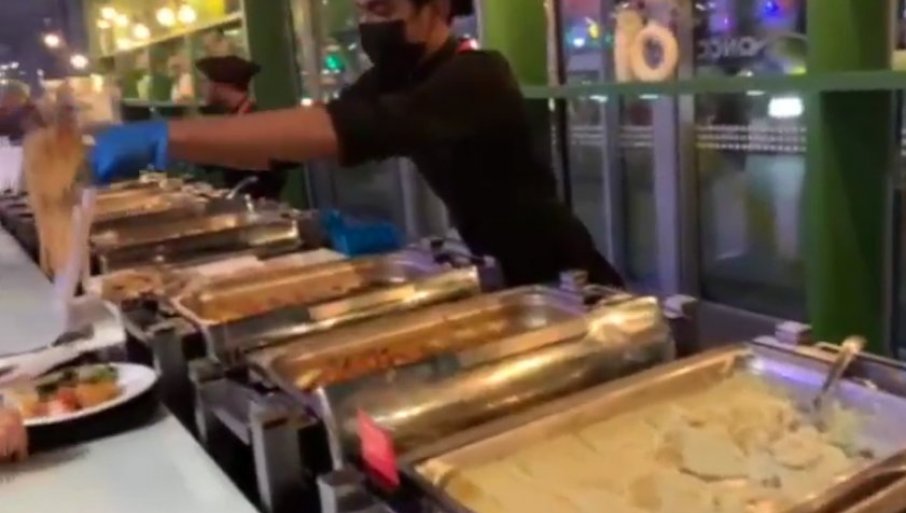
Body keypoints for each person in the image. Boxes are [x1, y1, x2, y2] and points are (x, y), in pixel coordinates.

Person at [90, 0, 624, 288]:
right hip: (500, 271)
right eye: (365, 11)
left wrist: (168, 134)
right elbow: (299, 140)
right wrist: (178, 149)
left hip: (567, 276)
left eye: (384, 11)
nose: (370, 24)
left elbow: (343, 130)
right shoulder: (393, 78)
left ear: (436, 8)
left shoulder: (478, 75)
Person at [196, 55, 287, 200]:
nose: (201, 88)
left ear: (220, 86)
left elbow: (271, 179)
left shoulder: (254, 123)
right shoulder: (233, 116)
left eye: (204, 82)